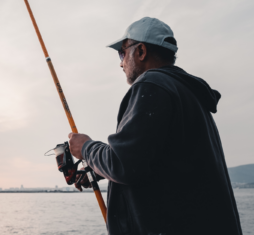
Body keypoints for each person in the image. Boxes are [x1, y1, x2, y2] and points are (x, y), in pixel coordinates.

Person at [68, 17, 242, 235]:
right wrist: (97, 167)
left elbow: (124, 164)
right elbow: (161, 158)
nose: (120, 63)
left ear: (141, 51)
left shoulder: (153, 85)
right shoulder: (188, 93)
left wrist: (86, 148)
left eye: (122, 53)